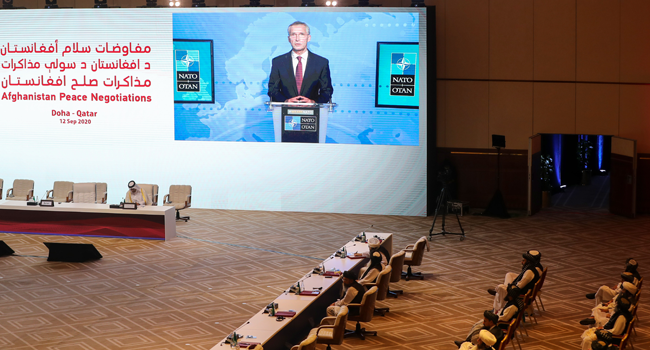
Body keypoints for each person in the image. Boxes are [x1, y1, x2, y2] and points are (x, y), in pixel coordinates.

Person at [268, 21, 333, 104]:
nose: (297, 39)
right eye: (293, 34)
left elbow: (327, 91)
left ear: (308, 38)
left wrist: (313, 102)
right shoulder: (278, 62)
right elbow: (272, 90)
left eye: (301, 34)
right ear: (289, 39)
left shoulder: (321, 63)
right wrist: (286, 101)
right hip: (285, 112)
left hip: (313, 113)